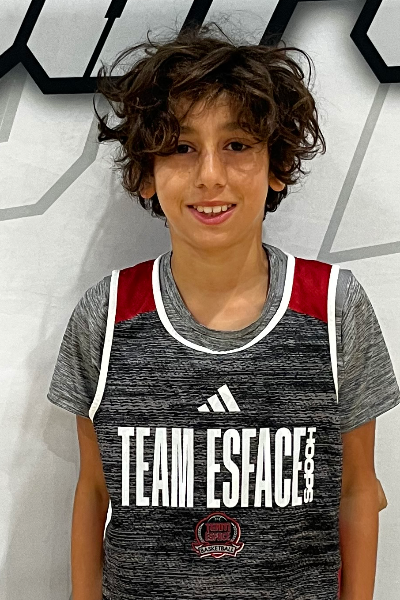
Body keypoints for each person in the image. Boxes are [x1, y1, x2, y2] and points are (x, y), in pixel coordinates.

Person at [47, 22, 400, 600]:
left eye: (237, 145)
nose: (210, 175)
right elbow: (93, 490)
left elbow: (359, 490)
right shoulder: (106, 315)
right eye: (181, 147)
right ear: (145, 173)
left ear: (276, 164)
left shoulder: (335, 306)